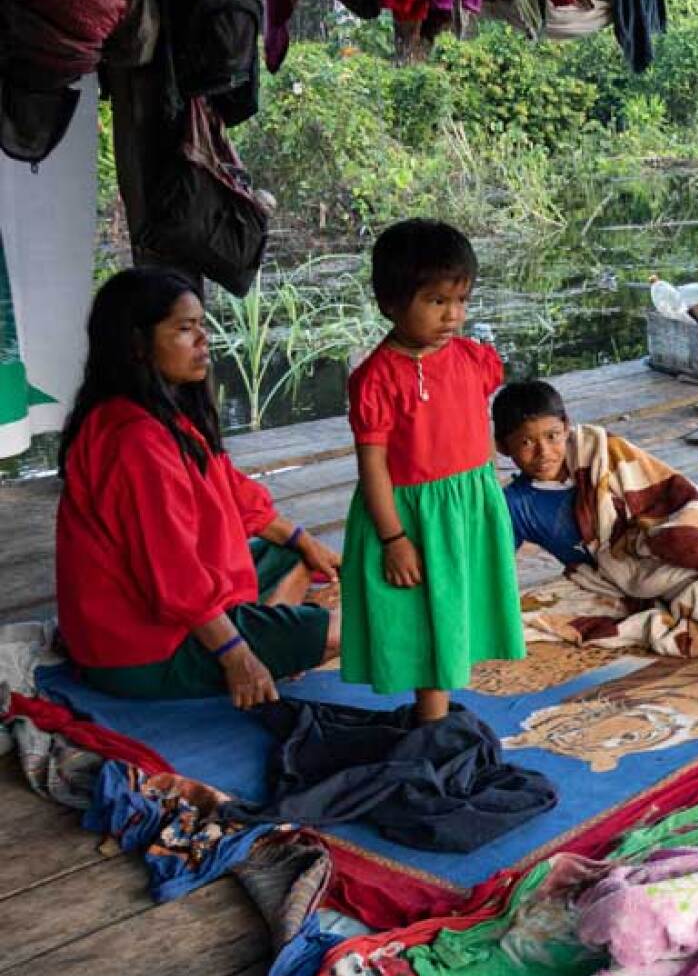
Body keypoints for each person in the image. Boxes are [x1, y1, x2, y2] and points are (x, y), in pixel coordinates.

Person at [55, 268, 341, 707]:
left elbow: (232, 492)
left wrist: (305, 541)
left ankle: (268, 629)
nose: (203, 339)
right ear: (137, 343)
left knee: (290, 552)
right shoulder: (136, 441)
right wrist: (237, 655)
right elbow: (173, 574)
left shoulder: (163, 416)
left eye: (201, 325)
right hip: (141, 649)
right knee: (352, 630)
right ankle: (264, 638)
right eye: (185, 329)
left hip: (166, 609)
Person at [340, 219, 523, 721]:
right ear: (391, 303)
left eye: (461, 300)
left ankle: (438, 711)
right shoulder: (375, 379)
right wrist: (393, 537)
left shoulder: (473, 359)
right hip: (412, 514)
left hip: (468, 502)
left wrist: (492, 488)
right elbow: (372, 467)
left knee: (458, 602)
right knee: (421, 615)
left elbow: (477, 420)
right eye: (436, 301)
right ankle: (432, 719)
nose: (453, 315)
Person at [493, 379, 589, 569]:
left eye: (552, 436)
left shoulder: (599, 455)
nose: (543, 452)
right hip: (602, 582)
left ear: (566, 427)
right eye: (526, 442)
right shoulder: (517, 505)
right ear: (503, 446)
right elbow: (493, 565)